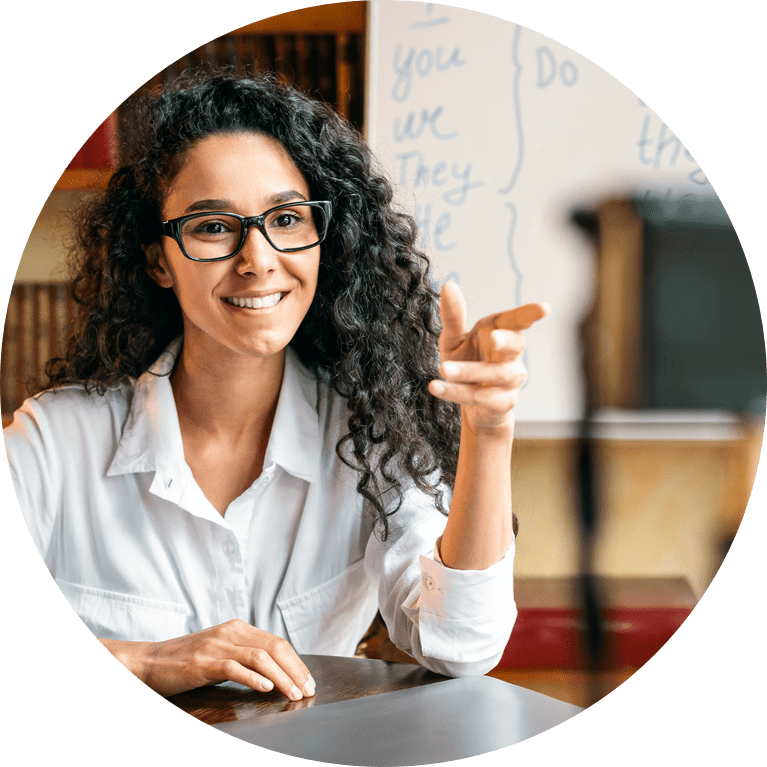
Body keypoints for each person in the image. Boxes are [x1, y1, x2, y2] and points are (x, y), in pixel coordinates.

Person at [4, 69, 549, 701]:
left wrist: (488, 430)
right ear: (158, 258)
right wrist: (144, 659)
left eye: (287, 218)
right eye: (212, 227)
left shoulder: (369, 435)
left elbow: (463, 645)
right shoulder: (52, 443)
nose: (258, 258)